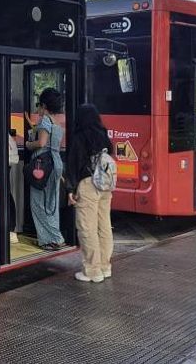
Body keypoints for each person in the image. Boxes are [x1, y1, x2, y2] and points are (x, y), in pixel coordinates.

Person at [66, 104, 114, 283]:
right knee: (104, 226)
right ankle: (105, 267)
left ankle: (92, 271)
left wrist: (70, 189)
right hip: (105, 185)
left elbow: (73, 165)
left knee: (87, 227)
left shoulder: (79, 137)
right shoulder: (103, 135)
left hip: (88, 184)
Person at [24, 88, 66, 250]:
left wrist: (28, 144)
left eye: (39, 105)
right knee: (51, 204)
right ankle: (55, 237)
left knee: (38, 203)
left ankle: (51, 239)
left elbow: (41, 143)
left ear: (44, 105)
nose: (38, 109)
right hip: (56, 163)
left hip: (43, 165)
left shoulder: (45, 121)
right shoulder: (57, 122)